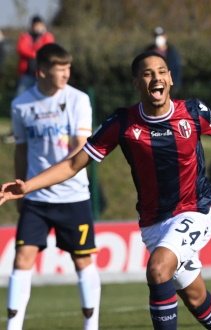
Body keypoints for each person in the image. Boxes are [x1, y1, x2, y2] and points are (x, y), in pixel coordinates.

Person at [0, 51, 211, 330]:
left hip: (195, 211)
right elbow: (73, 164)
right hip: (154, 224)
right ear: (136, 83)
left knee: (158, 270)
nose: (155, 78)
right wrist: (28, 185)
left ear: (170, 78)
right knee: (195, 296)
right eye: (147, 73)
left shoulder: (193, 111)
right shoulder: (123, 123)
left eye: (161, 72)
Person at [7, 43, 100, 330]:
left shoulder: (79, 100)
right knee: (22, 259)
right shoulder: (21, 104)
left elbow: (79, 150)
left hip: (73, 197)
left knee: (82, 261)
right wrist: (21, 189)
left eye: (68, 68)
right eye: (60, 69)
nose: (66, 74)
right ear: (42, 71)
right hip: (36, 198)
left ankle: (91, 326)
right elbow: (21, 150)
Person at [16, 16, 55, 97]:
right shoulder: (25, 36)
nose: (37, 27)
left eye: (39, 25)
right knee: (21, 96)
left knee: (42, 97)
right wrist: (35, 53)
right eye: (35, 25)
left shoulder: (47, 36)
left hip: (41, 74)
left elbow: (47, 49)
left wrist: (32, 50)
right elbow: (21, 49)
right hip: (26, 73)